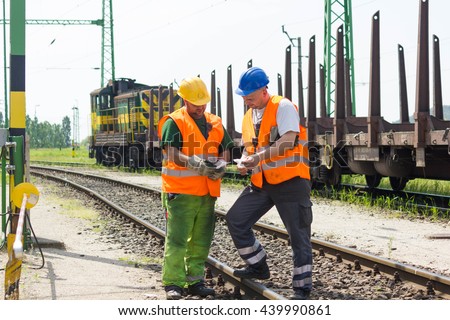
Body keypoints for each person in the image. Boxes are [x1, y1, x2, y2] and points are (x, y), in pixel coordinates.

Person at [225, 67, 313, 300]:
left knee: (298, 234)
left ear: (264, 90)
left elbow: (287, 141)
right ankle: (258, 266)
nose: (246, 101)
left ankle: (302, 287)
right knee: (236, 219)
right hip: (261, 182)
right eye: (243, 97)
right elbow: (250, 146)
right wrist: (245, 161)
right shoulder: (248, 115)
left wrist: (257, 158)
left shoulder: (282, 107)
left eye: (250, 97)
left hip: (291, 181)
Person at [158, 76, 234, 300]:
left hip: (207, 193)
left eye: (203, 103)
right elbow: (170, 152)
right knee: (178, 240)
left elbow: (226, 148)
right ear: (184, 100)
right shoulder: (174, 121)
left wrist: (223, 163)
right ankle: (173, 282)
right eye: (194, 103)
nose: (200, 108)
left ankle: (195, 281)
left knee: (201, 240)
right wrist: (194, 163)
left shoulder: (215, 122)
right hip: (180, 192)